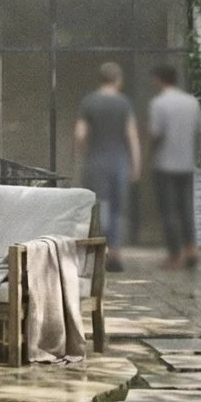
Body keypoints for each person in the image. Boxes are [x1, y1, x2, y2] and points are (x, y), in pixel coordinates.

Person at [74, 61, 140, 273]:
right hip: (119, 163)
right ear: (118, 79)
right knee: (117, 209)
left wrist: (86, 153)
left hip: (96, 162)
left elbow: (80, 134)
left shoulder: (89, 102)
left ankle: (100, 251)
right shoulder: (124, 103)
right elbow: (132, 136)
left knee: (100, 207)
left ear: (100, 79)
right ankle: (116, 252)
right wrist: (135, 164)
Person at [145, 63, 201, 268]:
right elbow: (198, 132)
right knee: (186, 208)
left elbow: (156, 134)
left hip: (165, 165)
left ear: (160, 80)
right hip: (186, 164)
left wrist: (149, 154)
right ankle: (191, 249)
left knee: (168, 210)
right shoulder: (192, 102)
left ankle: (174, 254)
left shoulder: (158, 103)